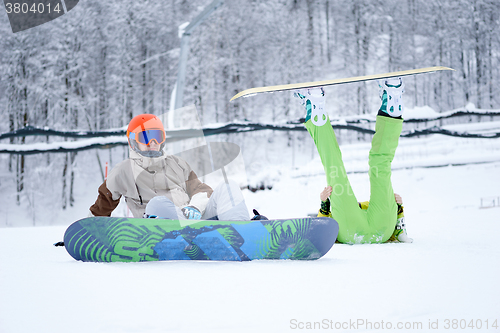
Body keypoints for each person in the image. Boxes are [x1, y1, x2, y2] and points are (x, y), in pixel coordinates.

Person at [294, 77, 412, 244]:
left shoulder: (355, 208)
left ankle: (392, 99)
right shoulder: (354, 208)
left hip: (381, 229)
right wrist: (398, 207)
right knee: (334, 168)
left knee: (381, 165)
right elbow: (322, 229)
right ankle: (314, 107)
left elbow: (323, 227)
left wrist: (324, 204)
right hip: (356, 230)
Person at [89, 114, 251, 221]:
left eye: (157, 137)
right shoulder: (123, 171)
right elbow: (101, 207)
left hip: (194, 222)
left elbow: (202, 190)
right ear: (132, 141)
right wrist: (85, 232)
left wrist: (193, 207)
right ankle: (185, 236)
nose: (153, 142)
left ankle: (239, 233)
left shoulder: (178, 164)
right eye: (146, 137)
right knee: (157, 204)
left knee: (228, 187)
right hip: (157, 230)